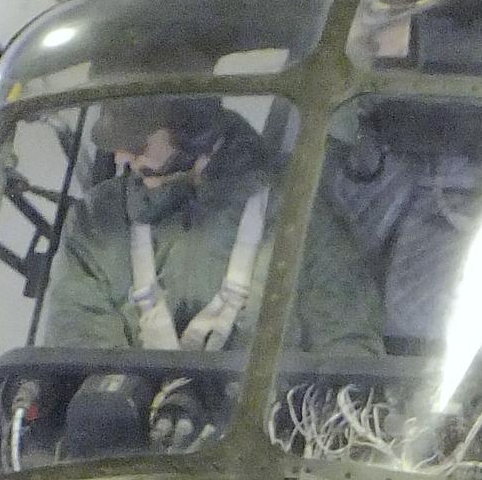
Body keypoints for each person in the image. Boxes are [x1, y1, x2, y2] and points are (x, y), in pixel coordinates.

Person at [38, 94, 386, 401]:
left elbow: (348, 350)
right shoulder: (98, 220)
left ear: (193, 129)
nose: (122, 155)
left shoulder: (300, 211)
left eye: (139, 142)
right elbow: (77, 352)